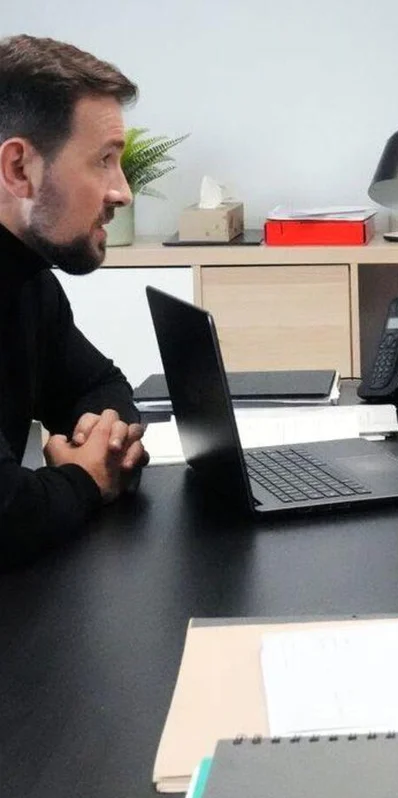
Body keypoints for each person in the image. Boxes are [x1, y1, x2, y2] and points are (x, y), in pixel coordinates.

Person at [0, 35, 147, 562]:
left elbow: (98, 384)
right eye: (103, 160)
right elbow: (7, 515)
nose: (122, 191)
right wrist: (87, 478)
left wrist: (105, 438)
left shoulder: (29, 280)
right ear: (19, 169)